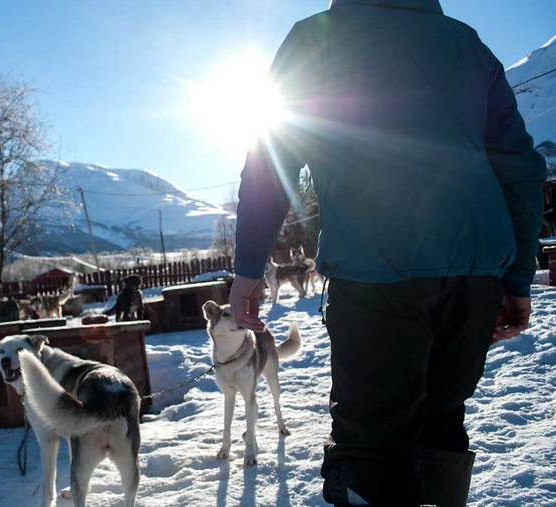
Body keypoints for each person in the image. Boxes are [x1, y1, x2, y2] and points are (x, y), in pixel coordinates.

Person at [228, 1, 546, 506]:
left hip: (377, 271)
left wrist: (249, 266)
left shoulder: (320, 36)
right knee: (442, 423)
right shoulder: (468, 44)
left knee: (375, 446)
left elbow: (273, 153)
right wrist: (515, 279)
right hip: (473, 276)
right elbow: (521, 169)